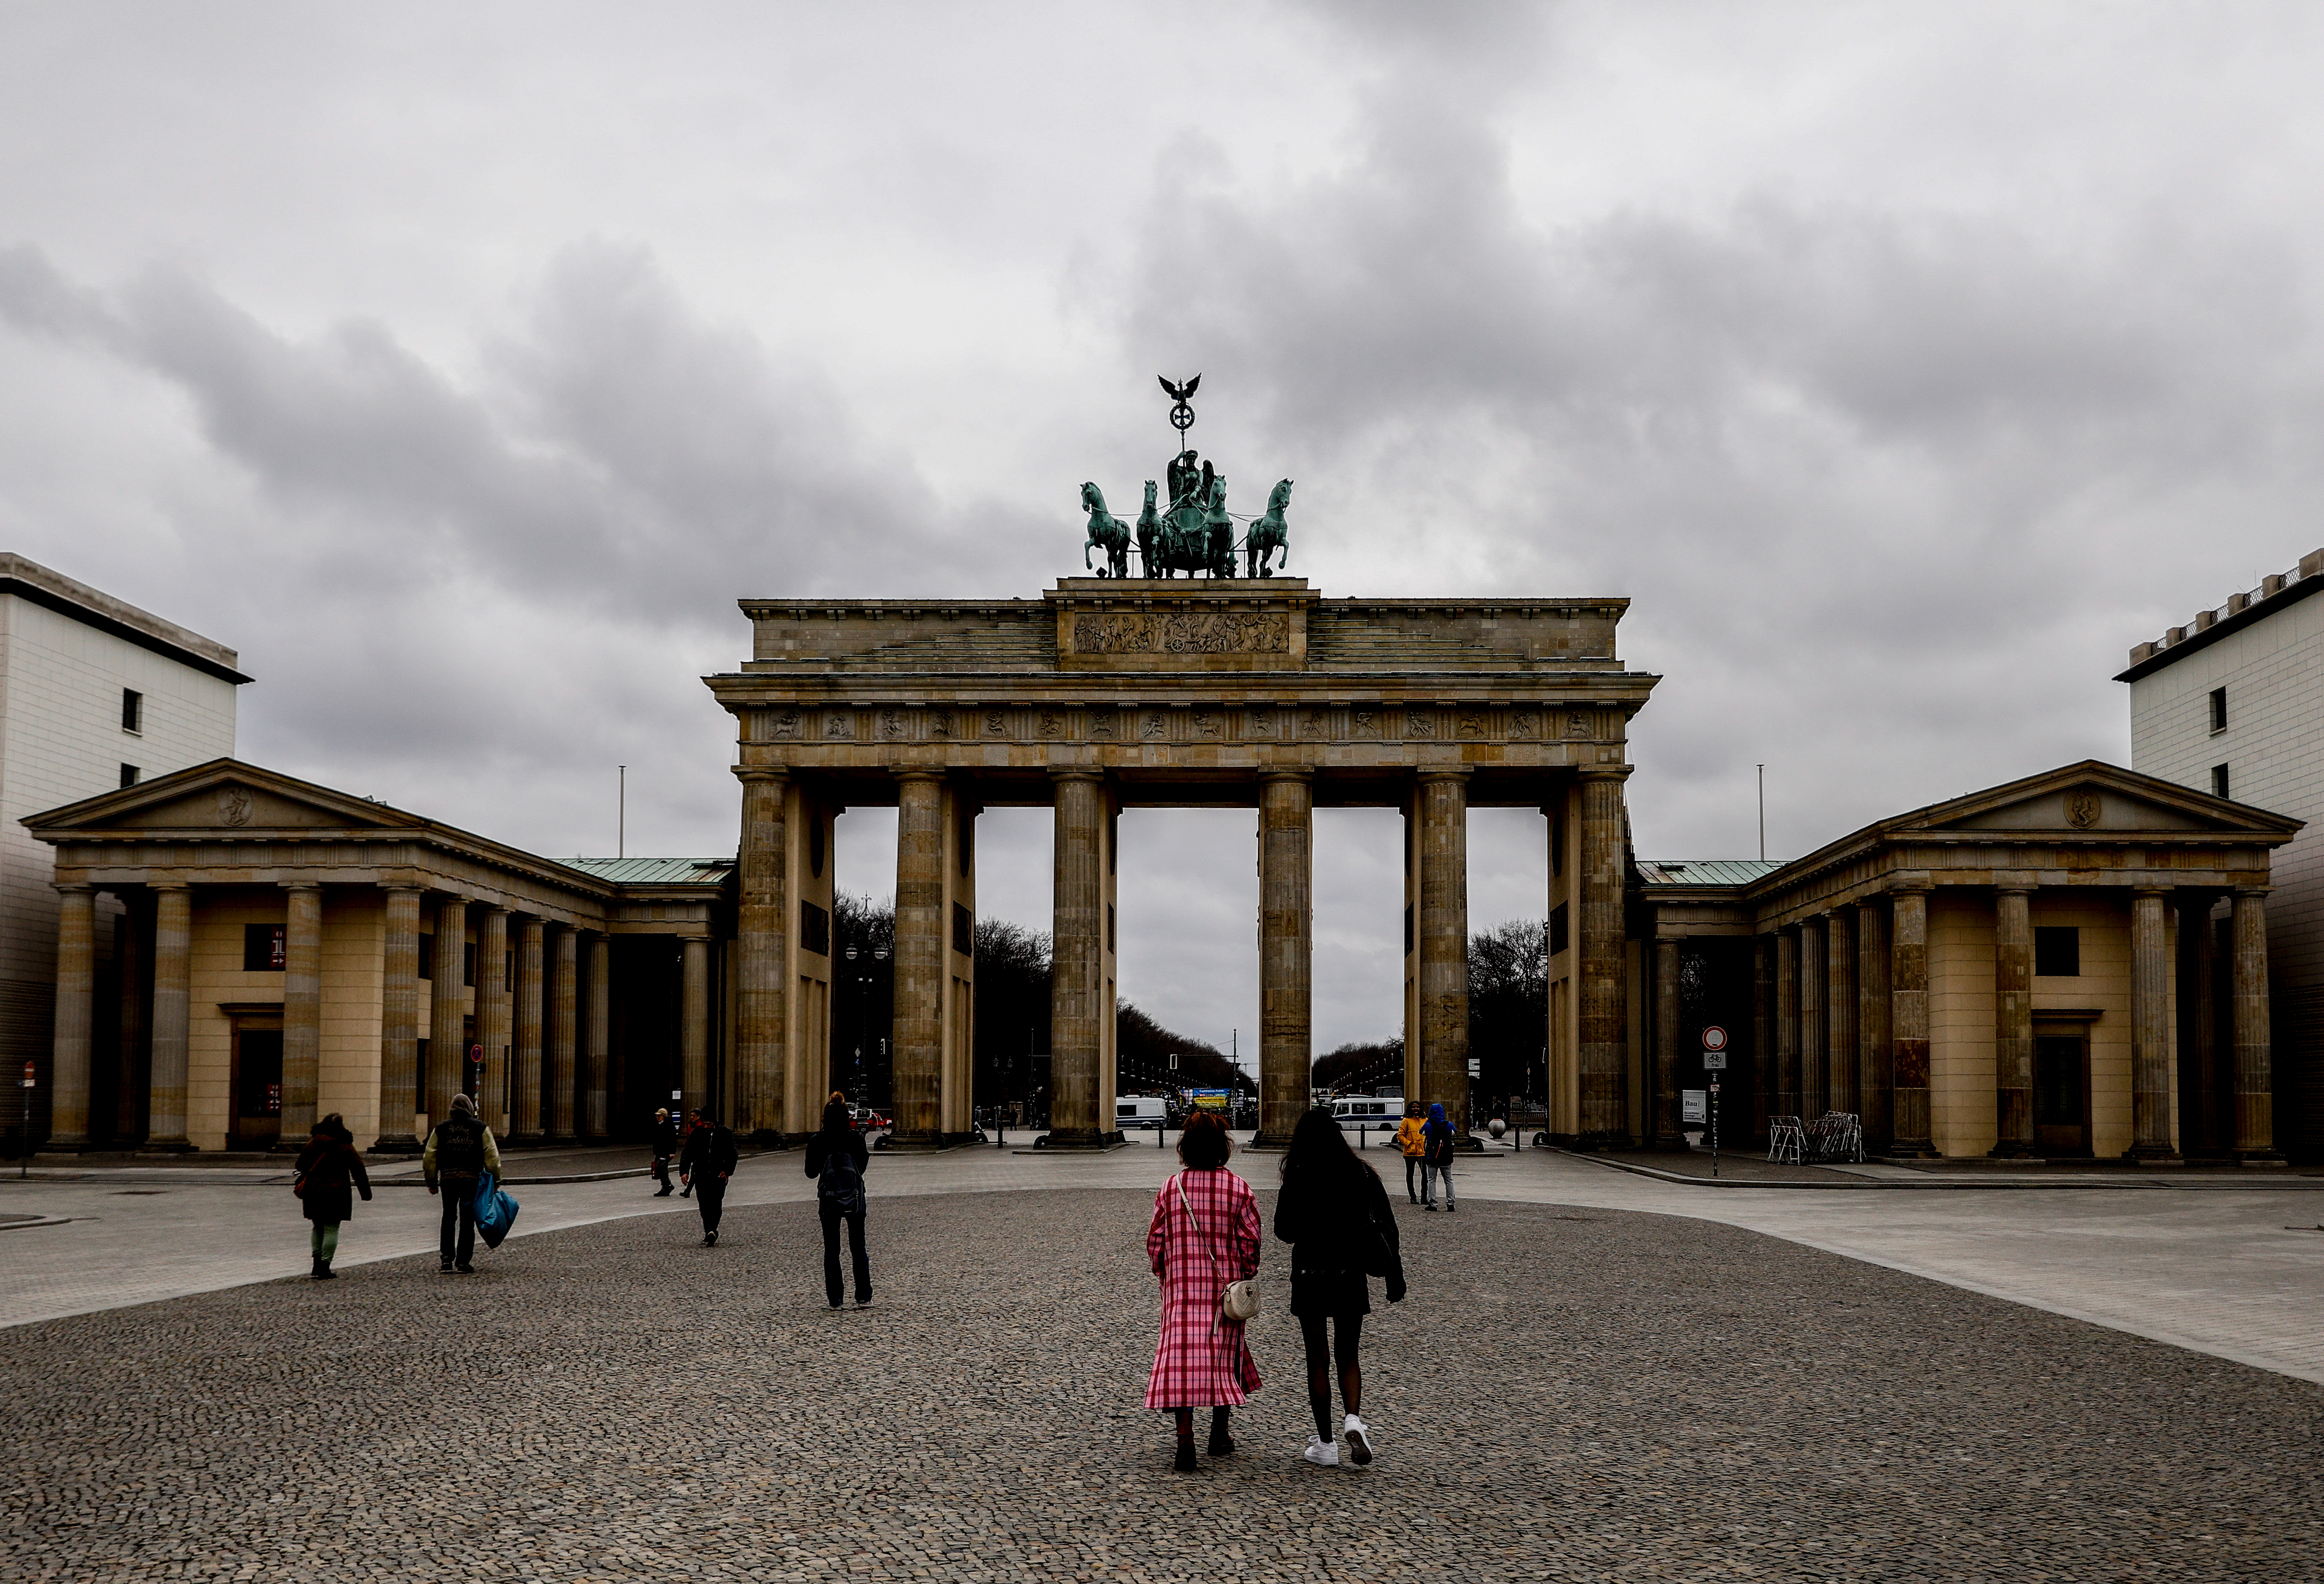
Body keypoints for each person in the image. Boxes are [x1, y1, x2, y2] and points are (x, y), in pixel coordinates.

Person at [1274, 1107, 1405, 1467]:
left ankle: (1326, 1445)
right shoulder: (1361, 1173)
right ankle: (1353, 1419)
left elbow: (1284, 1231)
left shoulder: (1298, 1174)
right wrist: (1395, 1274)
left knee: (1317, 1358)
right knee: (1348, 1354)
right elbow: (1387, 1226)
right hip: (1350, 1273)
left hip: (1310, 1274)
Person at [1144, 1110, 1262, 1473]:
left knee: (1181, 1361)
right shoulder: (1239, 1188)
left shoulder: (1170, 1187)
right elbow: (1251, 1244)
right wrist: (1246, 1272)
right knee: (1222, 1358)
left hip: (1181, 1290)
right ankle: (1219, 1433)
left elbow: (1155, 1242)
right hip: (1221, 1292)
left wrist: (1165, 1270)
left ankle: (1185, 1440)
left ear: (1186, 1147)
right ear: (1223, 1147)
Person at [422, 1093, 502, 1273]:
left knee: (448, 1217)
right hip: (471, 1178)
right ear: (469, 1109)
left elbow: (429, 1156)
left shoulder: (441, 1129)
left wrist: (432, 1181)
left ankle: (446, 1259)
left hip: (448, 1178)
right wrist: (496, 1180)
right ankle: (463, 1261)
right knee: (467, 1220)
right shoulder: (480, 1128)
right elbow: (492, 1156)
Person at [805, 1092, 872, 1307]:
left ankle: (836, 1298)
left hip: (829, 1199)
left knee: (832, 1249)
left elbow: (810, 1172)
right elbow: (861, 1168)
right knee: (858, 1246)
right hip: (854, 1197)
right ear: (847, 1117)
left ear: (824, 1118)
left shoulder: (818, 1140)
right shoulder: (855, 1139)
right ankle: (863, 1295)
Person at [291, 1112, 371, 1280]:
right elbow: (359, 1170)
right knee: (332, 1228)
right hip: (337, 1191)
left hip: (314, 1190)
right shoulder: (345, 1146)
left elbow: (300, 1165)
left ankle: (316, 1265)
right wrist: (366, 1193)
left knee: (318, 1226)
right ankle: (325, 1266)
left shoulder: (313, 1144)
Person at [680, 1108, 739, 1246]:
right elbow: (687, 1153)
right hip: (700, 1174)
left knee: (716, 1203)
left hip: (718, 1175)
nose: (706, 1127)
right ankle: (709, 1231)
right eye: (704, 1124)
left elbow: (732, 1154)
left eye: (709, 1124)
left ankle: (712, 1230)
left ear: (714, 1123)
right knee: (704, 1205)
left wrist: (728, 1171)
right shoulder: (697, 1133)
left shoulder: (725, 1133)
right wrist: (684, 1171)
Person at [1421, 1101, 1457, 1212]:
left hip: (1432, 1156)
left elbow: (1421, 1133)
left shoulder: (1428, 1124)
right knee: (1449, 1180)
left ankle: (1433, 1204)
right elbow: (1454, 1133)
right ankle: (1451, 1204)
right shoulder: (1448, 1124)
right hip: (1446, 1157)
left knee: (1432, 1180)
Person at [1394, 1103, 1427, 1205]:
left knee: (1425, 1175)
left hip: (1423, 1152)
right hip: (1410, 1153)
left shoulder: (1425, 1120)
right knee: (1410, 1175)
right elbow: (1400, 1136)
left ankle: (1424, 1197)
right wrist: (1409, 1144)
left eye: (1418, 1107)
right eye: (1414, 1107)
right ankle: (1413, 1196)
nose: (1416, 1109)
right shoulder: (1406, 1121)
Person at [649, 1107, 678, 1196]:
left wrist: (673, 1152)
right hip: (661, 1151)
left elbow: (673, 1140)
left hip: (666, 1151)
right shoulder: (660, 1125)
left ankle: (667, 1186)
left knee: (661, 1168)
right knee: (661, 1168)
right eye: (657, 1116)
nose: (658, 1117)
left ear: (664, 1116)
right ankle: (666, 1187)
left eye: (659, 1116)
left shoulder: (668, 1125)